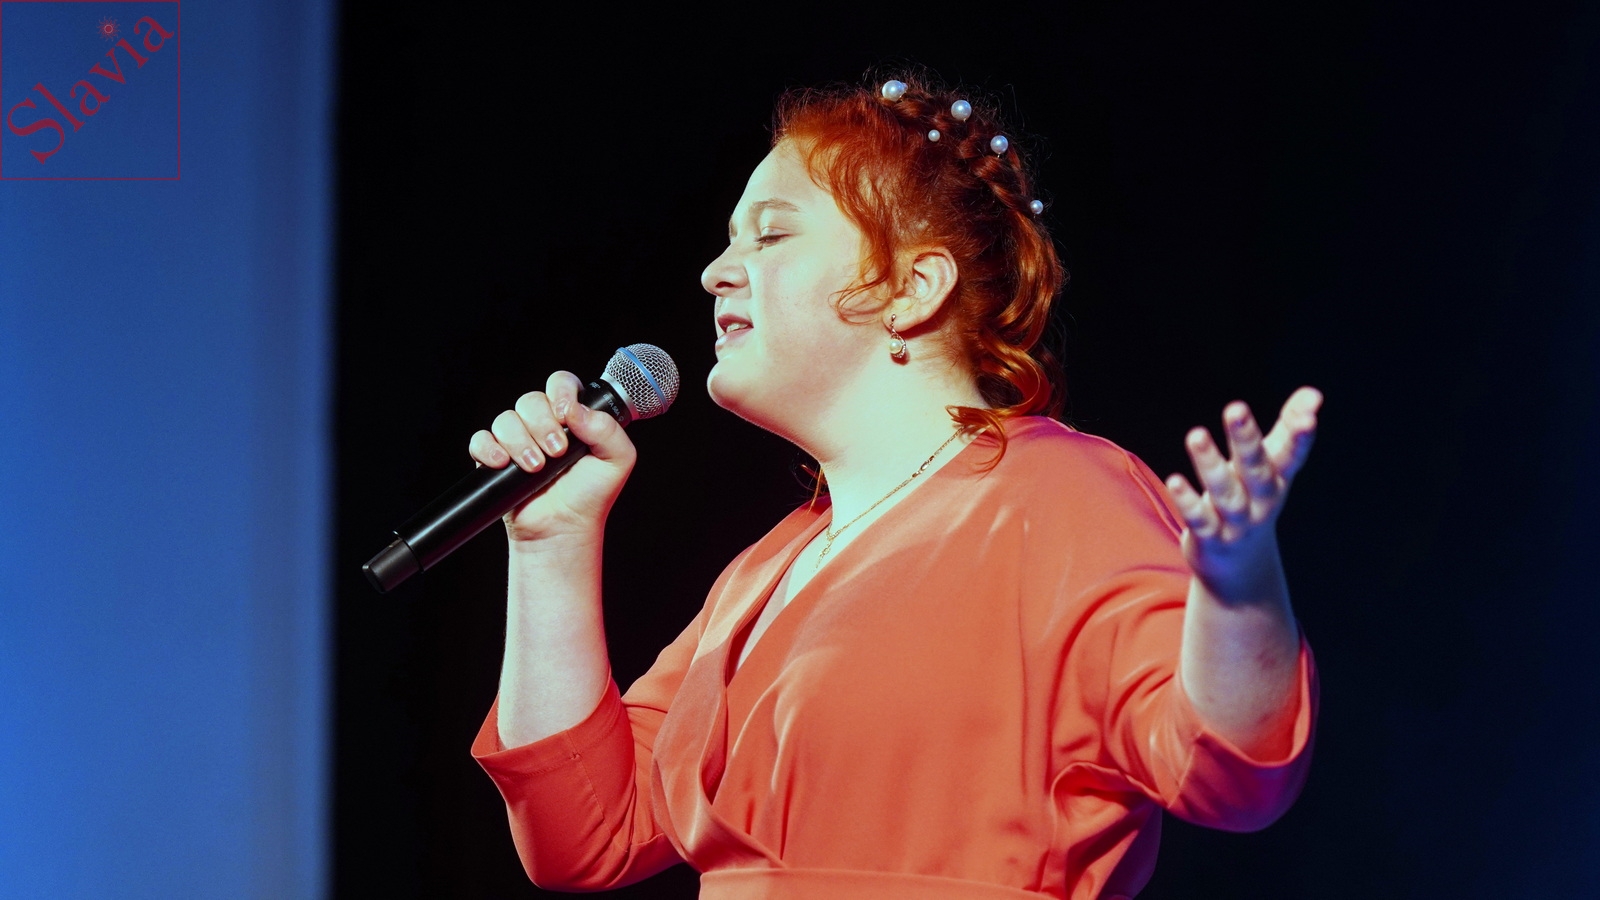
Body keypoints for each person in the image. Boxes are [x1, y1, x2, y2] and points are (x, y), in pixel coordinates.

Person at [466, 72, 1322, 900]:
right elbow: (584, 833)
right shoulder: (764, 572)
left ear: (913, 288)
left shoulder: (1059, 496)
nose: (717, 270)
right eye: (730, 239)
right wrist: (551, 543)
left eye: (770, 235)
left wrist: (1240, 595)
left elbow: (1231, 771)